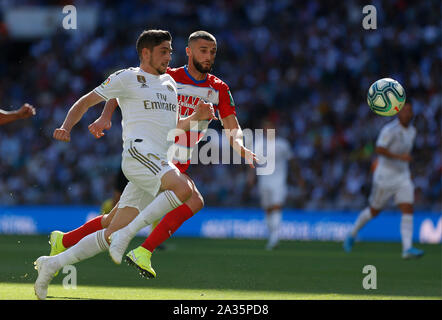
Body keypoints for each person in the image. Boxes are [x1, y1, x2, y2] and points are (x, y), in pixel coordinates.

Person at [47, 30, 258, 279]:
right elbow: (123, 87)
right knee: (192, 199)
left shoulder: (219, 88)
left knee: (115, 221)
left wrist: (240, 147)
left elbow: (231, 126)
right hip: (155, 155)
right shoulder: (166, 76)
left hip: (178, 160)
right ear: (189, 52)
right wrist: (105, 115)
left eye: (213, 51)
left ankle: (63, 241)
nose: (209, 56)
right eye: (203, 50)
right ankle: (144, 250)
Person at [343, 103, 424, 259]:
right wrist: (400, 158)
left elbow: (406, 153)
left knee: (408, 208)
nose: (407, 114)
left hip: (403, 176)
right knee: (374, 211)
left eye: (410, 111)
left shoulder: (412, 131)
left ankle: (407, 249)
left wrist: (406, 167)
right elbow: (379, 149)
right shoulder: (389, 130)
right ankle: (352, 234)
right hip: (385, 177)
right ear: (398, 114)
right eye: (404, 111)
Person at [247, 118, 294, 250]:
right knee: (268, 209)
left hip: (279, 180)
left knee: (277, 206)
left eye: (270, 127)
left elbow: (292, 161)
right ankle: (272, 235)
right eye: (265, 128)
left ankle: (274, 238)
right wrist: (250, 177)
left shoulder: (282, 144)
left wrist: (298, 178)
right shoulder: (258, 143)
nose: (267, 130)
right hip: (264, 180)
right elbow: (253, 162)